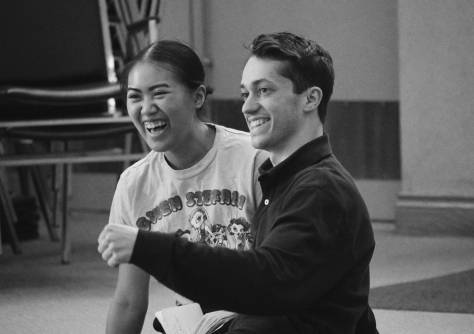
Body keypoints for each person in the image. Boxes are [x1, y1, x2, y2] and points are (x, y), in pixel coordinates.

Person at [99, 31, 378, 333]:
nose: (246, 107)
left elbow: (267, 282)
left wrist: (151, 248)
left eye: (264, 91)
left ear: (310, 98)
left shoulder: (312, 186)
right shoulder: (283, 178)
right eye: (246, 94)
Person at [103, 39, 266, 334]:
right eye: (135, 97)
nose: (147, 109)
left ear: (198, 96)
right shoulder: (134, 184)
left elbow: (282, 274)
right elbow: (129, 300)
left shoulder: (253, 159)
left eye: (160, 94)